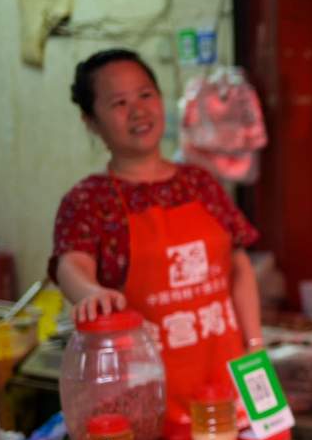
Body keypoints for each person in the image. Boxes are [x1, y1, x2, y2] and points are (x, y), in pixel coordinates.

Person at [50, 48, 262, 418]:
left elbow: (239, 266)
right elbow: (72, 262)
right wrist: (91, 292)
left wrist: (255, 346)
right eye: (119, 102)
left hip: (233, 377)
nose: (138, 111)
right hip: (149, 397)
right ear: (91, 121)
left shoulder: (200, 182)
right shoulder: (88, 200)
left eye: (146, 94)